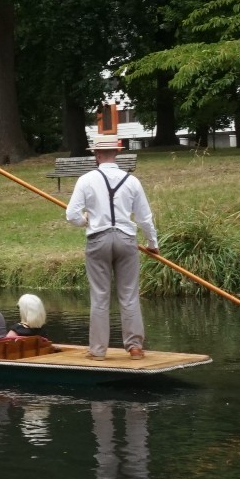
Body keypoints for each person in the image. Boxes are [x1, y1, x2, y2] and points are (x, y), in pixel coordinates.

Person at [65, 135, 159, 359]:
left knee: (100, 296)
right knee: (129, 295)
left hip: (98, 240)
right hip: (127, 240)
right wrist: (152, 243)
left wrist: (85, 221)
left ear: (97, 155)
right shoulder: (132, 181)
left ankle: (98, 351)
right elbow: (145, 218)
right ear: (117, 153)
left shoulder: (86, 180)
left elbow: (71, 215)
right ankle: (135, 347)